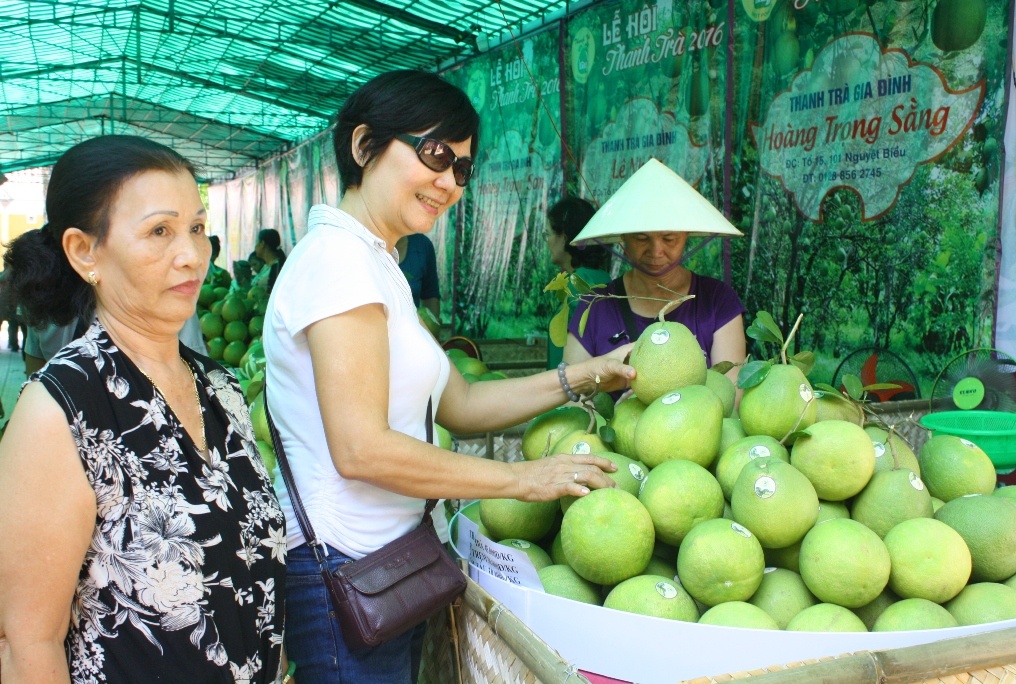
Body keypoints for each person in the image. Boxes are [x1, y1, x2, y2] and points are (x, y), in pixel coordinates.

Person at [263, 70, 635, 683]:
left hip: (388, 564)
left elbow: (458, 402)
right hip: (344, 571)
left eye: (462, 169)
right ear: (364, 147)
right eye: (436, 155)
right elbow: (361, 449)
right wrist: (520, 479)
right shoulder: (338, 264)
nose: (450, 183)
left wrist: (583, 377)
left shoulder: (379, 263)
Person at [0, 135, 286, 683]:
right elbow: (27, 642)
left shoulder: (222, 390)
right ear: (86, 252)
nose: (192, 254)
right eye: (160, 231)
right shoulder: (61, 411)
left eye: (197, 229)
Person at [563, 230, 746, 385]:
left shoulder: (717, 300)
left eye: (669, 238)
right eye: (641, 238)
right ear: (623, 238)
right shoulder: (596, 304)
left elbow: (729, 391)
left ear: (685, 235)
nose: (656, 251)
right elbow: (573, 394)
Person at [545, 197, 612, 370]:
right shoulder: (601, 278)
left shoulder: (578, 286)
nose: (547, 241)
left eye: (549, 234)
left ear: (564, 238)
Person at [397, 233, 440, 321]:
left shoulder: (422, 246)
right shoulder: (363, 244)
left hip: (409, 332)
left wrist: (432, 325)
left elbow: (430, 296)